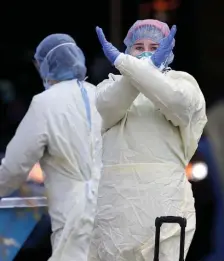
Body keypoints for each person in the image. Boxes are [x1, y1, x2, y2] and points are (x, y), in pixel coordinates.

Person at [88, 20, 207, 261]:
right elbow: (106, 109)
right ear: (127, 49)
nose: (146, 53)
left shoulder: (183, 83)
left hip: (163, 206)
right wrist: (135, 73)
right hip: (116, 213)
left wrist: (130, 66)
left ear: (169, 51)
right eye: (138, 48)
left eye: (154, 47)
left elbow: (176, 103)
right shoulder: (109, 87)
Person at [0, 34, 102, 261]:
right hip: (111, 211)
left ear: (46, 65)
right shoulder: (102, 97)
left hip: (73, 217)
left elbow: (14, 168)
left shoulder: (45, 103)